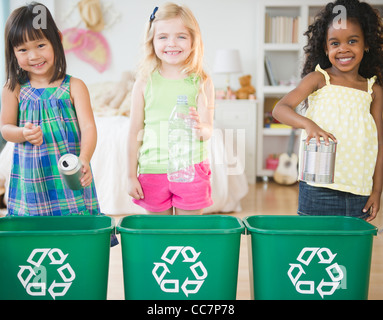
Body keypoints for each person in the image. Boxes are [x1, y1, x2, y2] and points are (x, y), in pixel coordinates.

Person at [272, 0, 383, 222]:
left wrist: (377, 191)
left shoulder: (374, 91)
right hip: (317, 187)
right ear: (325, 48)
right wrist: (308, 124)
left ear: (366, 44)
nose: (343, 48)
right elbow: (280, 109)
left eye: (352, 41)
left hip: (359, 190)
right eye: (335, 43)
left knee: (348, 253)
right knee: (315, 248)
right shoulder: (319, 79)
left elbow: (380, 143)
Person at [1, 3, 100, 217]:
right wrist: (22, 133)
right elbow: (5, 128)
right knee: (34, 233)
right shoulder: (13, 87)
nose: (34, 56)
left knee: (73, 226)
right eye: (23, 50)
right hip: (31, 178)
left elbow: (89, 127)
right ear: (13, 52)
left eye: (40, 45)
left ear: (57, 39)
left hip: (68, 173)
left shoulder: (74, 86)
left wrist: (84, 159)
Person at [128, 3, 215, 215]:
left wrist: (199, 128)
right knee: (159, 236)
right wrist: (130, 175)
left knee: (188, 233)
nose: (172, 44)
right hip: (152, 170)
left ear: (194, 40)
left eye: (181, 37)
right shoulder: (144, 82)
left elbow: (208, 130)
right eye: (163, 37)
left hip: (191, 169)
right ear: (152, 41)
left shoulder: (202, 81)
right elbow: (133, 133)